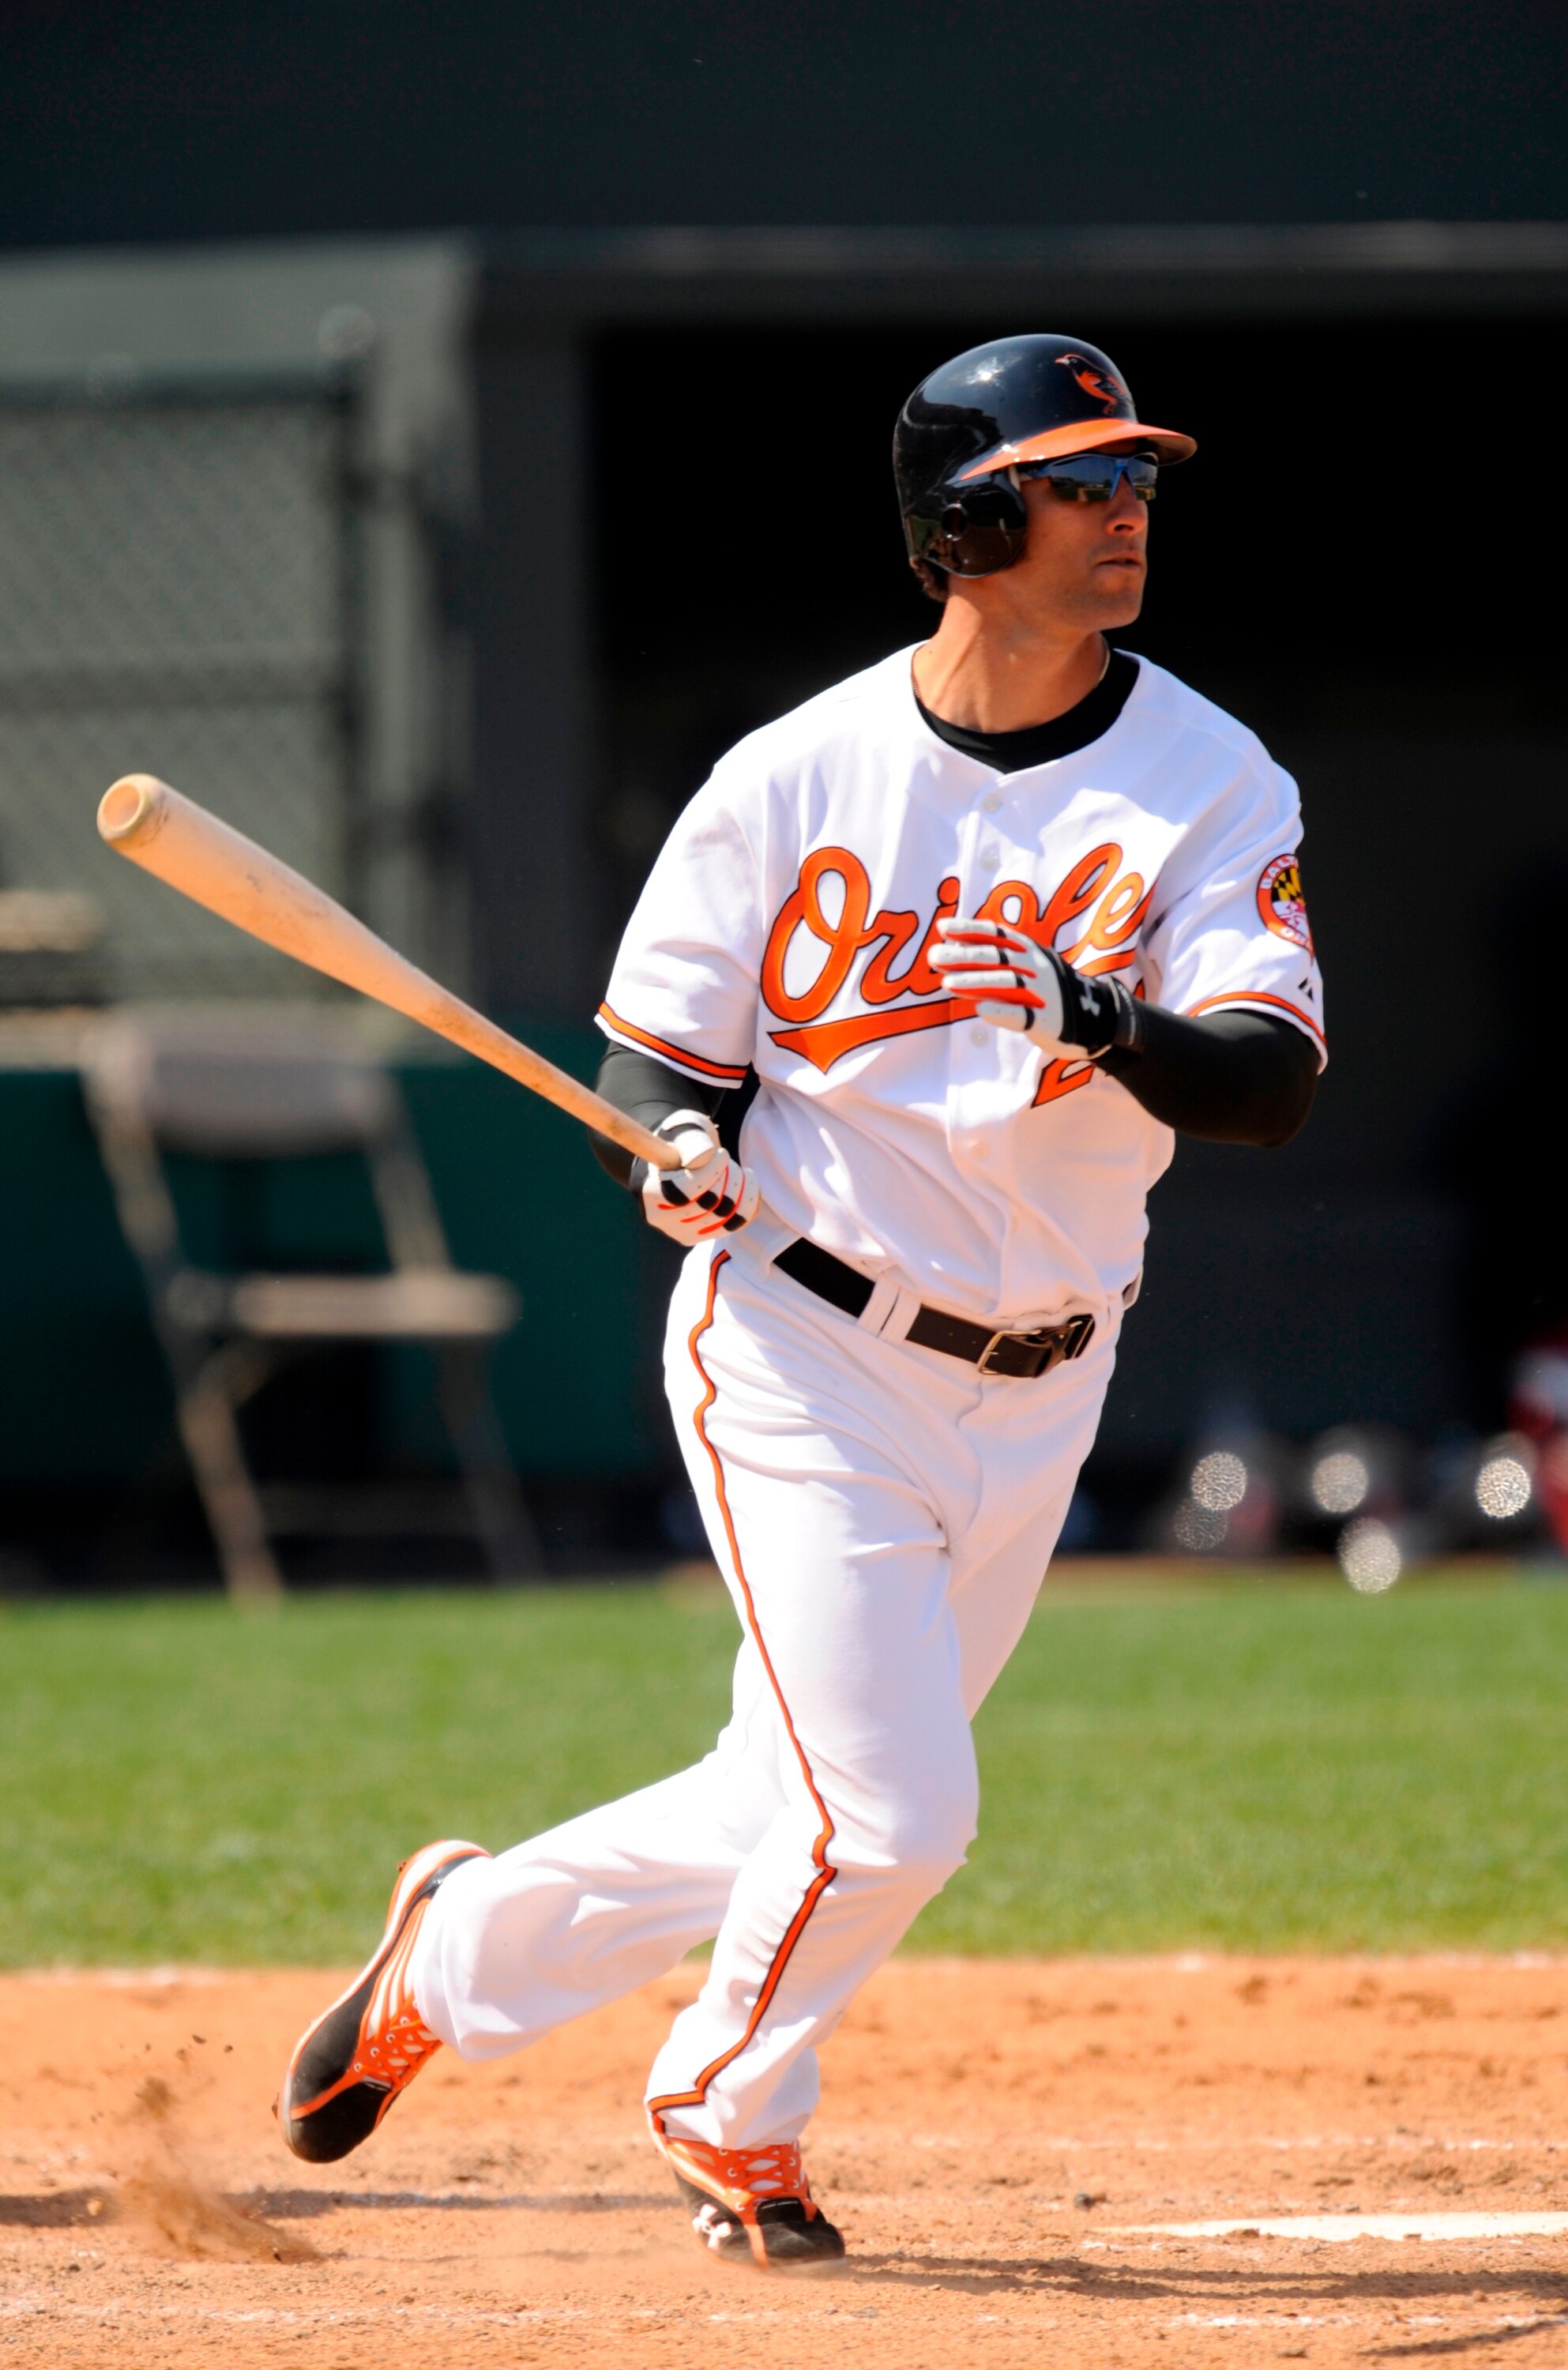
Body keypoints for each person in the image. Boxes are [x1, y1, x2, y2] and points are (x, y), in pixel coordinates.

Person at [276, 334, 1325, 2270]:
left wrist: (1107, 1015)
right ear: (965, 528)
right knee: (897, 1818)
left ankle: (457, 1951)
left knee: (785, 1799)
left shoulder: (1209, 777)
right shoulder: (792, 777)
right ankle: (727, 2108)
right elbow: (660, 1071)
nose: (1126, 516)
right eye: (1082, 484)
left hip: (1050, 1368)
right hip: (804, 1347)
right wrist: (674, 1147)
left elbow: (1268, 1081)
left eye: (1135, 484)